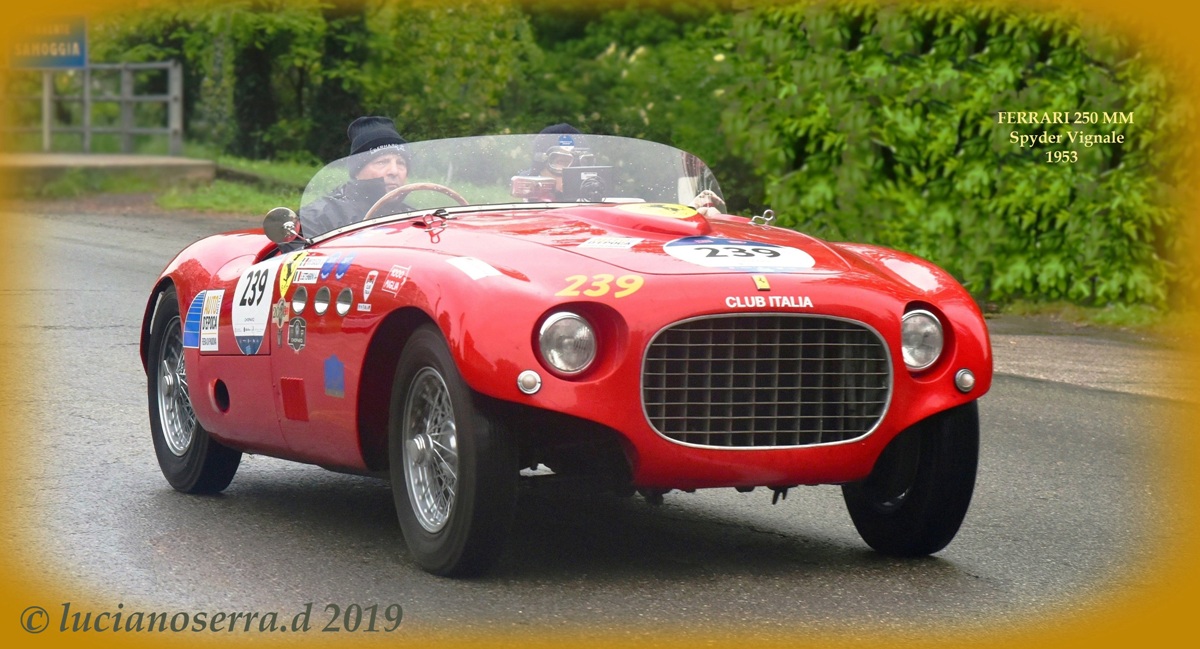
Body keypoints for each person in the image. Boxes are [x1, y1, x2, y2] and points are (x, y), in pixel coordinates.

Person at [300, 116, 413, 237]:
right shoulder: (317, 218)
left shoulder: (415, 217)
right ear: (357, 171)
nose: (394, 171)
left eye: (401, 163)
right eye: (382, 162)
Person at [510, 123, 598, 202]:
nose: (571, 172)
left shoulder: (598, 203)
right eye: (561, 162)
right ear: (539, 167)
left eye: (579, 163)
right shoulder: (522, 210)